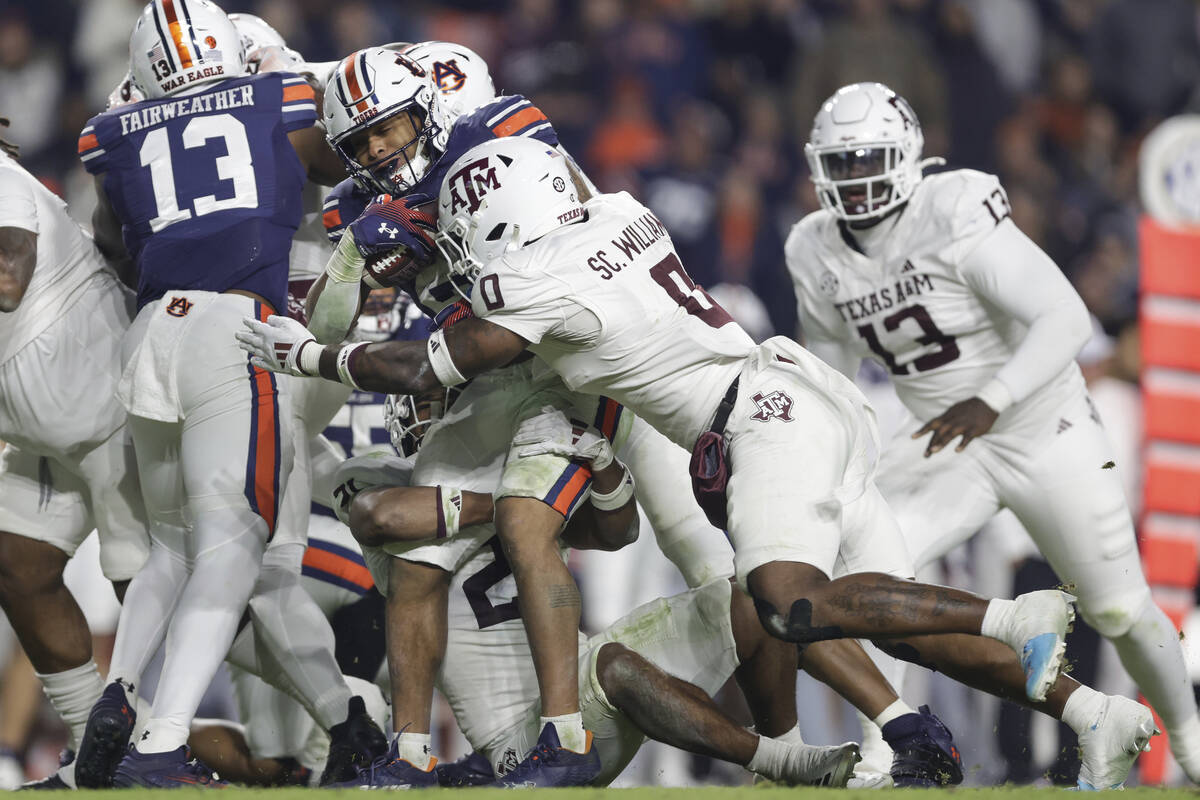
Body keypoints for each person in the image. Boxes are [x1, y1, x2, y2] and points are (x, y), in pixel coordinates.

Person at [238, 134, 1083, 784]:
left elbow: (429, 369)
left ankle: (1000, 634)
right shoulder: (615, 213)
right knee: (791, 600)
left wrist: (311, 356)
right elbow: (601, 515)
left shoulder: (539, 293)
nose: (466, 253)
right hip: (775, 396)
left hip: (753, 417)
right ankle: (916, 730)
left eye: (471, 235)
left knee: (784, 601)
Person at [303, 44, 735, 787]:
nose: (379, 148)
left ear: (435, 107)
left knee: (717, 567)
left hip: (580, 359)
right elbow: (329, 325)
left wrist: (427, 207)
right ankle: (409, 755)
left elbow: (567, 221)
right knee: (419, 560)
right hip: (492, 381)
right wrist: (349, 254)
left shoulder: (498, 134)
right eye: (362, 139)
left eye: (391, 126)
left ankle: (775, 747)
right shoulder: (360, 207)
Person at [784, 82, 1185, 789]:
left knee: (1118, 606)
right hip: (947, 440)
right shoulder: (813, 249)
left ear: (906, 157)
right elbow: (832, 374)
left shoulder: (952, 210)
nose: (855, 180)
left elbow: (1065, 317)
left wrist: (991, 398)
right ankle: (892, 743)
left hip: (1039, 421)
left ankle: (1187, 736)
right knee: (859, 583)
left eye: (868, 160)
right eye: (841, 165)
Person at [71, 0, 368, 787]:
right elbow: (341, 162)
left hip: (152, 336)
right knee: (237, 547)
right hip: (238, 330)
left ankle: (117, 694)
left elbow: (114, 242)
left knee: (171, 543)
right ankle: (163, 742)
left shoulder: (114, 130)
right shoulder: (279, 96)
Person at [326, 390, 861, 789]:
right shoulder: (380, 473)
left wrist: (602, 465)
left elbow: (614, 531)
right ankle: (782, 763)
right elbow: (381, 516)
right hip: (523, 738)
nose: (444, 412)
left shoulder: (509, 463)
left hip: (579, 683)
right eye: (426, 402)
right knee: (612, 665)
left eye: (449, 401)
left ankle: (782, 759)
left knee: (744, 597)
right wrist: (513, 509)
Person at [0, 117, 150, 790]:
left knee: (144, 587)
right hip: (49, 427)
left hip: (103, 407)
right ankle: (103, 752)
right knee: (17, 563)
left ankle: (330, 710)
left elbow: (6, 275)